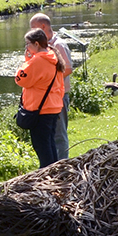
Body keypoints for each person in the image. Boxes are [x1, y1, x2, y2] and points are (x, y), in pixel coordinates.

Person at [14, 28, 65, 167]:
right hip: (53, 106)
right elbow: (60, 85)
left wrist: (26, 61)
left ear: (36, 44)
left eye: (28, 44)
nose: (27, 47)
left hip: (40, 109)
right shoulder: (53, 56)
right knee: (49, 143)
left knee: (42, 147)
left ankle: (47, 176)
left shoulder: (37, 61)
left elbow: (20, 79)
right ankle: (55, 172)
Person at [30, 12, 73, 159]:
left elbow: (68, 68)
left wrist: (48, 79)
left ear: (43, 27)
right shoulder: (42, 46)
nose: (31, 31)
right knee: (49, 136)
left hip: (59, 97)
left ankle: (63, 167)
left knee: (59, 135)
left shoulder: (58, 45)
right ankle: (53, 167)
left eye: (33, 28)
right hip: (48, 99)